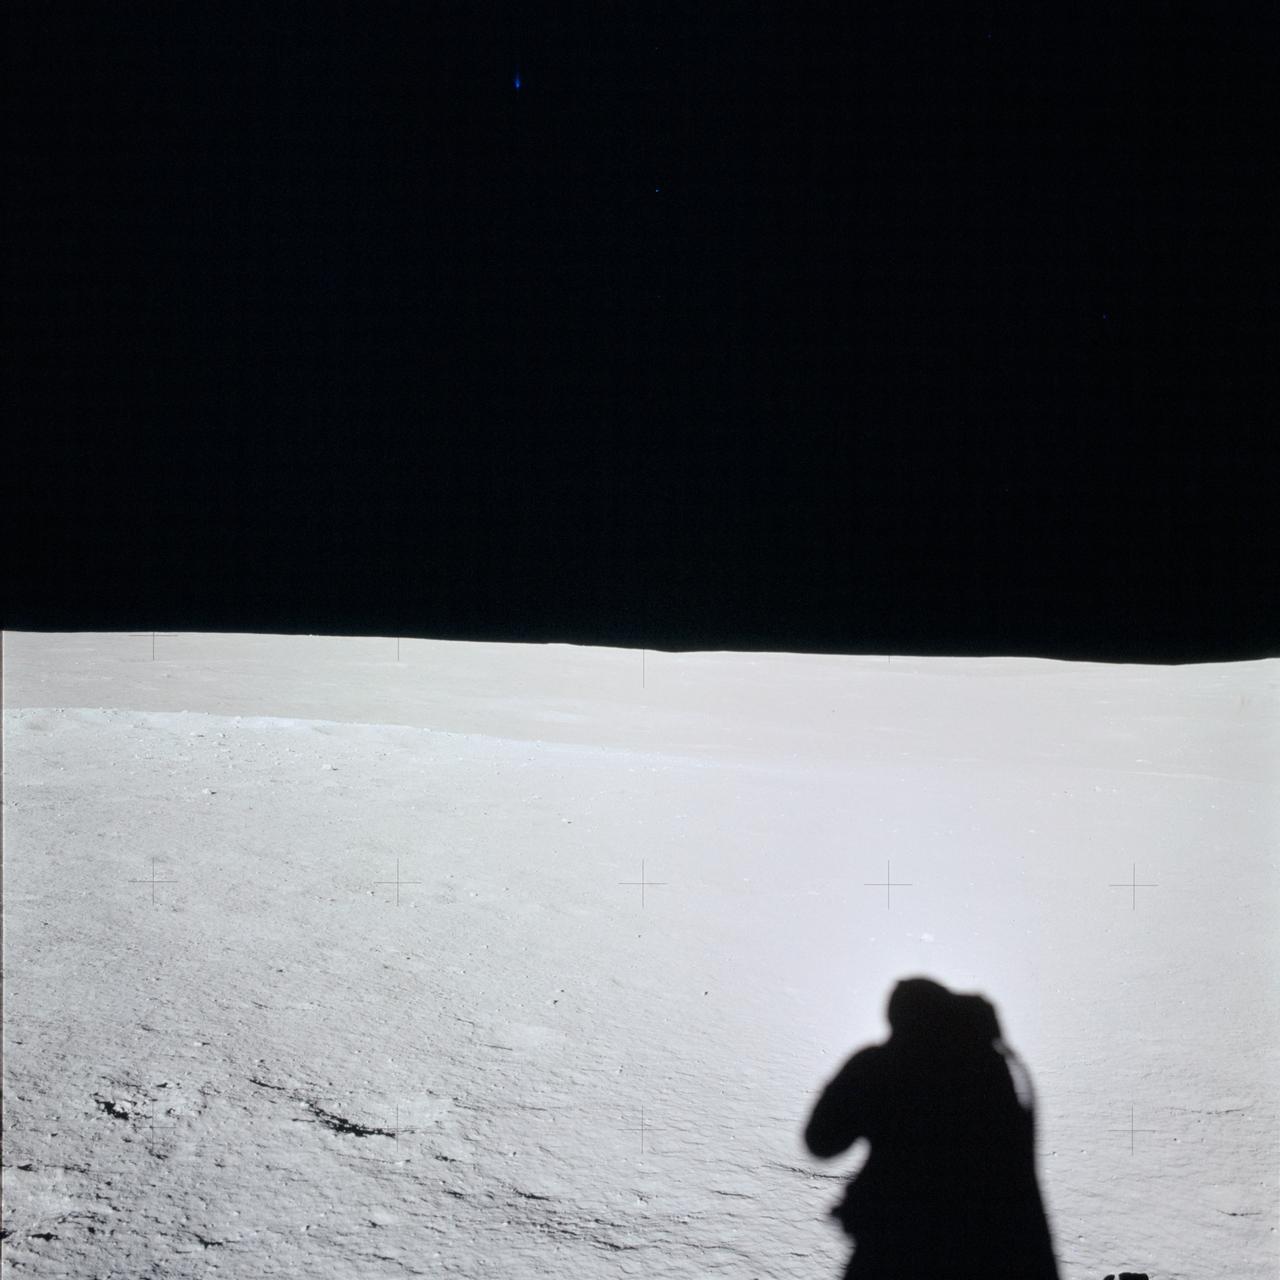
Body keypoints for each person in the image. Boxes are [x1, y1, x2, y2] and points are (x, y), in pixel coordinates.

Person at [804, 977, 1060, 1279]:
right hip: (1001, 1252)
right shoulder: (994, 1069)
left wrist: (857, 1075)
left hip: (898, 1251)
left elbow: (820, 1140)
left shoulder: (886, 1066)